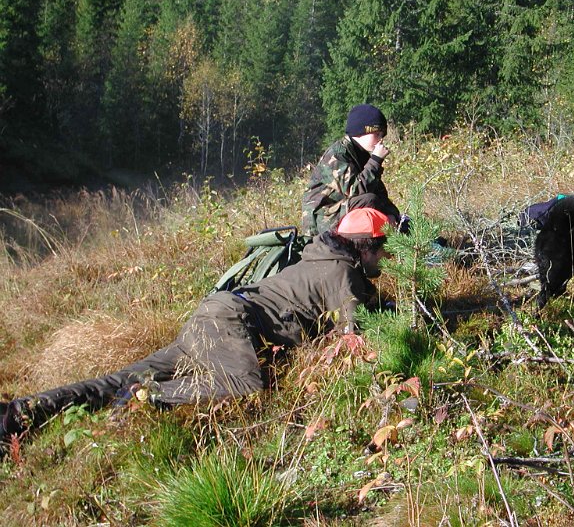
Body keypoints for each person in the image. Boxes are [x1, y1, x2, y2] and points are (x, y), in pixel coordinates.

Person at [0, 208, 392, 453]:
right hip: (231, 325)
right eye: (382, 248)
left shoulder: (316, 257)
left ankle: (19, 414)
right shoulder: (345, 274)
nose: (384, 257)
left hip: (215, 314)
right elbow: (355, 337)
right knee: (247, 384)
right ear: (365, 246)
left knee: (114, 379)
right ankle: (149, 395)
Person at [302, 104, 401, 237]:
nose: (380, 140)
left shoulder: (362, 155)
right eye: (377, 134)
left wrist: (394, 216)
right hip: (323, 221)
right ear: (360, 132)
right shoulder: (337, 156)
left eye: (382, 135)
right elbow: (356, 190)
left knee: (381, 206)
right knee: (369, 200)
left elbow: (379, 193)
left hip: (341, 212)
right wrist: (376, 161)